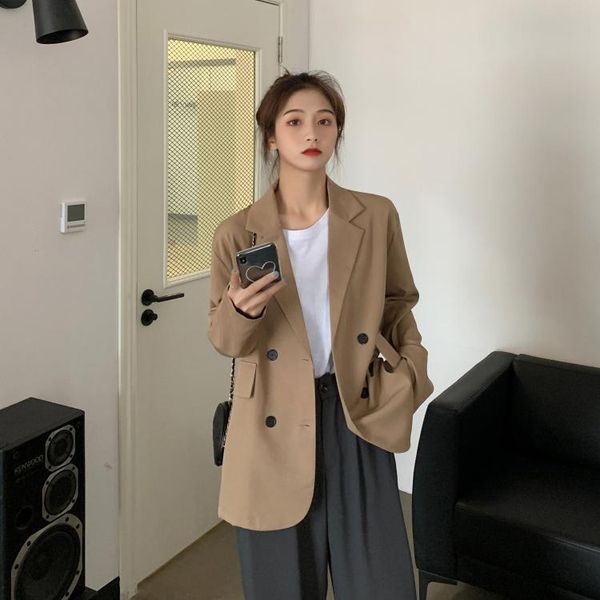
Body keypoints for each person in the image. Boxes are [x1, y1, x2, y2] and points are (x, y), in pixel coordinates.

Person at [207, 69, 434, 599]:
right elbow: (225, 341)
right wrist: (240, 311)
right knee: (282, 587)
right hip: (269, 427)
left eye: (325, 121)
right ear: (271, 137)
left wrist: (410, 374)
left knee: (380, 586)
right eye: (294, 121)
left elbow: (398, 302)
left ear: (337, 132)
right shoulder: (237, 233)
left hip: (355, 414)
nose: (311, 133)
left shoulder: (374, 216)